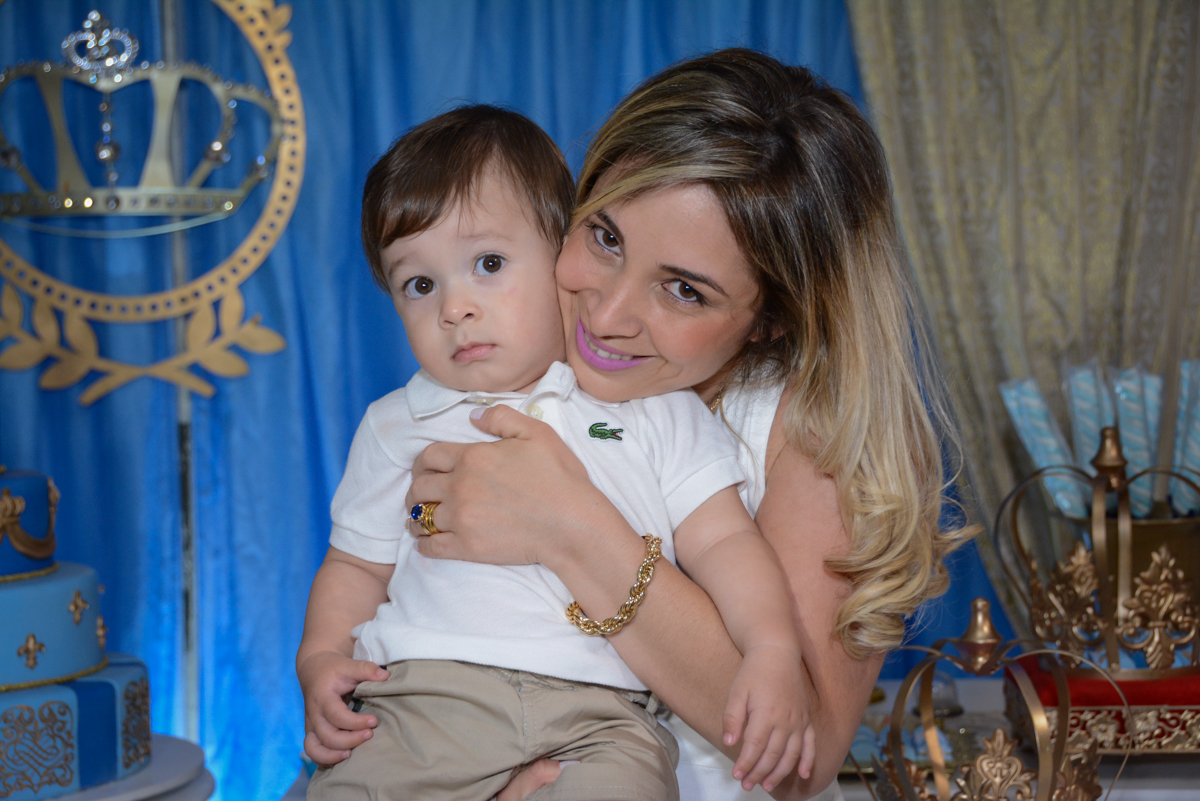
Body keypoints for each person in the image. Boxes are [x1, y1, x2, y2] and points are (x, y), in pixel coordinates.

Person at [392, 50, 975, 801]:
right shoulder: (506, 351)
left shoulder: (808, 434)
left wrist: (571, 528)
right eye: (605, 237)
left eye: (684, 290)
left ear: (773, 316)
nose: (605, 315)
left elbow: (802, 760)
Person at [297, 104, 814, 801]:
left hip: (605, 714)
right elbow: (355, 563)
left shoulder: (655, 408)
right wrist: (321, 656)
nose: (455, 307)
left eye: (487, 263)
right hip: (427, 697)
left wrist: (773, 648)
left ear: (554, 249)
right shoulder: (397, 423)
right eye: (419, 284)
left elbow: (725, 541)